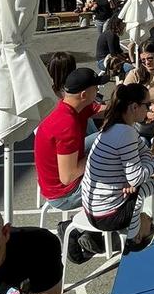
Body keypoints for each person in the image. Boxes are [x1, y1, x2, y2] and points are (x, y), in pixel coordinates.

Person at [82, 84, 154, 250]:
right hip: (105, 215)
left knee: (142, 182)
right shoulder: (125, 132)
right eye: (147, 105)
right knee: (141, 185)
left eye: (150, 228)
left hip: (95, 207)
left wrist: (152, 172)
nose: (150, 109)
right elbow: (138, 182)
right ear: (134, 107)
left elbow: (144, 154)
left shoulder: (118, 127)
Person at [35, 68, 108, 210]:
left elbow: (105, 110)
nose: (98, 90)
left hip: (55, 180)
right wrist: (98, 156)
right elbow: (68, 176)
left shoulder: (70, 105)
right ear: (84, 94)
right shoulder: (67, 125)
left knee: (106, 137)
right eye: (96, 87)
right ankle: (86, 227)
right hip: (64, 195)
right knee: (121, 177)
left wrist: (140, 110)